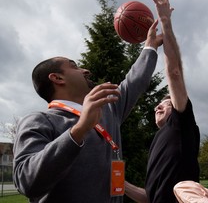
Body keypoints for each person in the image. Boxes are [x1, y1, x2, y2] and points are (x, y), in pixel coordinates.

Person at [12, 18, 163, 202]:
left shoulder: (107, 109)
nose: (86, 70)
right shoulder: (39, 121)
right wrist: (79, 129)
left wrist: (150, 46)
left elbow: (134, 81)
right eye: (74, 66)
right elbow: (27, 181)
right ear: (57, 78)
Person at [125, 0, 200, 202]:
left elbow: (175, 73)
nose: (157, 106)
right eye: (158, 104)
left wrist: (165, 21)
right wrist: (120, 182)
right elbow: (150, 197)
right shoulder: (159, 139)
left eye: (165, 104)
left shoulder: (181, 124)